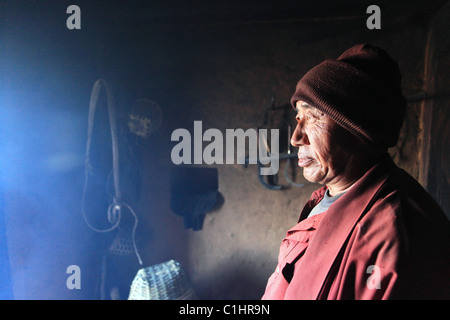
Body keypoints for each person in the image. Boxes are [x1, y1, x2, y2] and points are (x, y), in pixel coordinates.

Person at [261, 43, 450, 300]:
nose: (296, 138)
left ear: (359, 131)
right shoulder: (327, 199)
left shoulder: (399, 235)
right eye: (298, 117)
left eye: (314, 117)